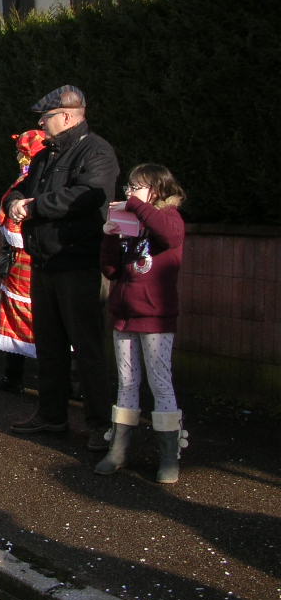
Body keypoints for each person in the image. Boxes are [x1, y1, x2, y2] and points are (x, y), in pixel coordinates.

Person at [6, 85, 118, 450]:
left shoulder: (96, 151)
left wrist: (35, 206)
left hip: (79, 262)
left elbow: (87, 196)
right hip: (45, 262)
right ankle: (51, 415)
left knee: (87, 348)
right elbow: (24, 187)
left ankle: (100, 423)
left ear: (68, 116)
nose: (41, 123)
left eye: (47, 116)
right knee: (49, 345)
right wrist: (19, 202)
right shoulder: (46, 154)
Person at [95, 164, 188, 483]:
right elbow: (111, 270)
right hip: (124, 313)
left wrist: (135, 205)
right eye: (129, 188)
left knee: (160, 382)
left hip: (156, 316)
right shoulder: (129, 220)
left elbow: (170, 236)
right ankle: (118, 450)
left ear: (157, 190)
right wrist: (109, 237)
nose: (130, 192)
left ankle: (168, 456)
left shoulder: (170, 218)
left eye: (138, 187)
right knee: (127, 382)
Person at [0, 130, 47, 393]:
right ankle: (68, 384)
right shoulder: (50, 179)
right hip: (47, 260)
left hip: (23, 263)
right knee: (52, 320)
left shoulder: (27, 182)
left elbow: (10, 224)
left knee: (20, 317)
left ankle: (14, 378)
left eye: (22, 153)